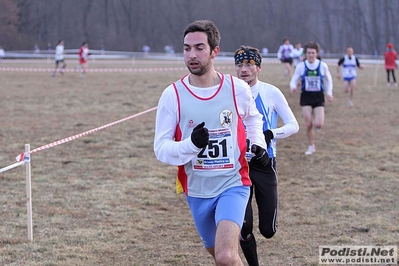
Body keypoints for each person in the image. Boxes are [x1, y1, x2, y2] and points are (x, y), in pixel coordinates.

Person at [153, 20, 268, 265]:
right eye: (186, 49)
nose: (192, 55)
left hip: (233, 183)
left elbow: (253, 118)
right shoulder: (172, 95)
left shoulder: (236, 88)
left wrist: (257, 143)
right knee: (222, 257)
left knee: (226, 256)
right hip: (196, 191)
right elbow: (161, 149)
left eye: (199, 48)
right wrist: (191, 145)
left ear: (215, 51)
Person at [234, 45, 299, 266]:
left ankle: (270, 222)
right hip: (237, 167)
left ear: (258, 68)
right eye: (240, 64)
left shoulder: (271, 92)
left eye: (249, 64)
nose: (244, 69)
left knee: (268, 230)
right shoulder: (229, 92)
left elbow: (293, 125)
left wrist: (272, 133)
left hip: (265, 164)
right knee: (243, 225)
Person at [289, 41, 333, 155]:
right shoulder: (301, 66)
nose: (311, 55)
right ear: (305, 53)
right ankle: (311, 145)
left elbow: (329, 79)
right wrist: (293, 86)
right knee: (308, 124)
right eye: (308, 53)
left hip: (318, 96)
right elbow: (294, 78)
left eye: (313, 53)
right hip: (306, 96)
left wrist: (329, 93)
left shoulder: (322, 66)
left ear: (317, 53)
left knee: (318, 124)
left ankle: (317, 125)